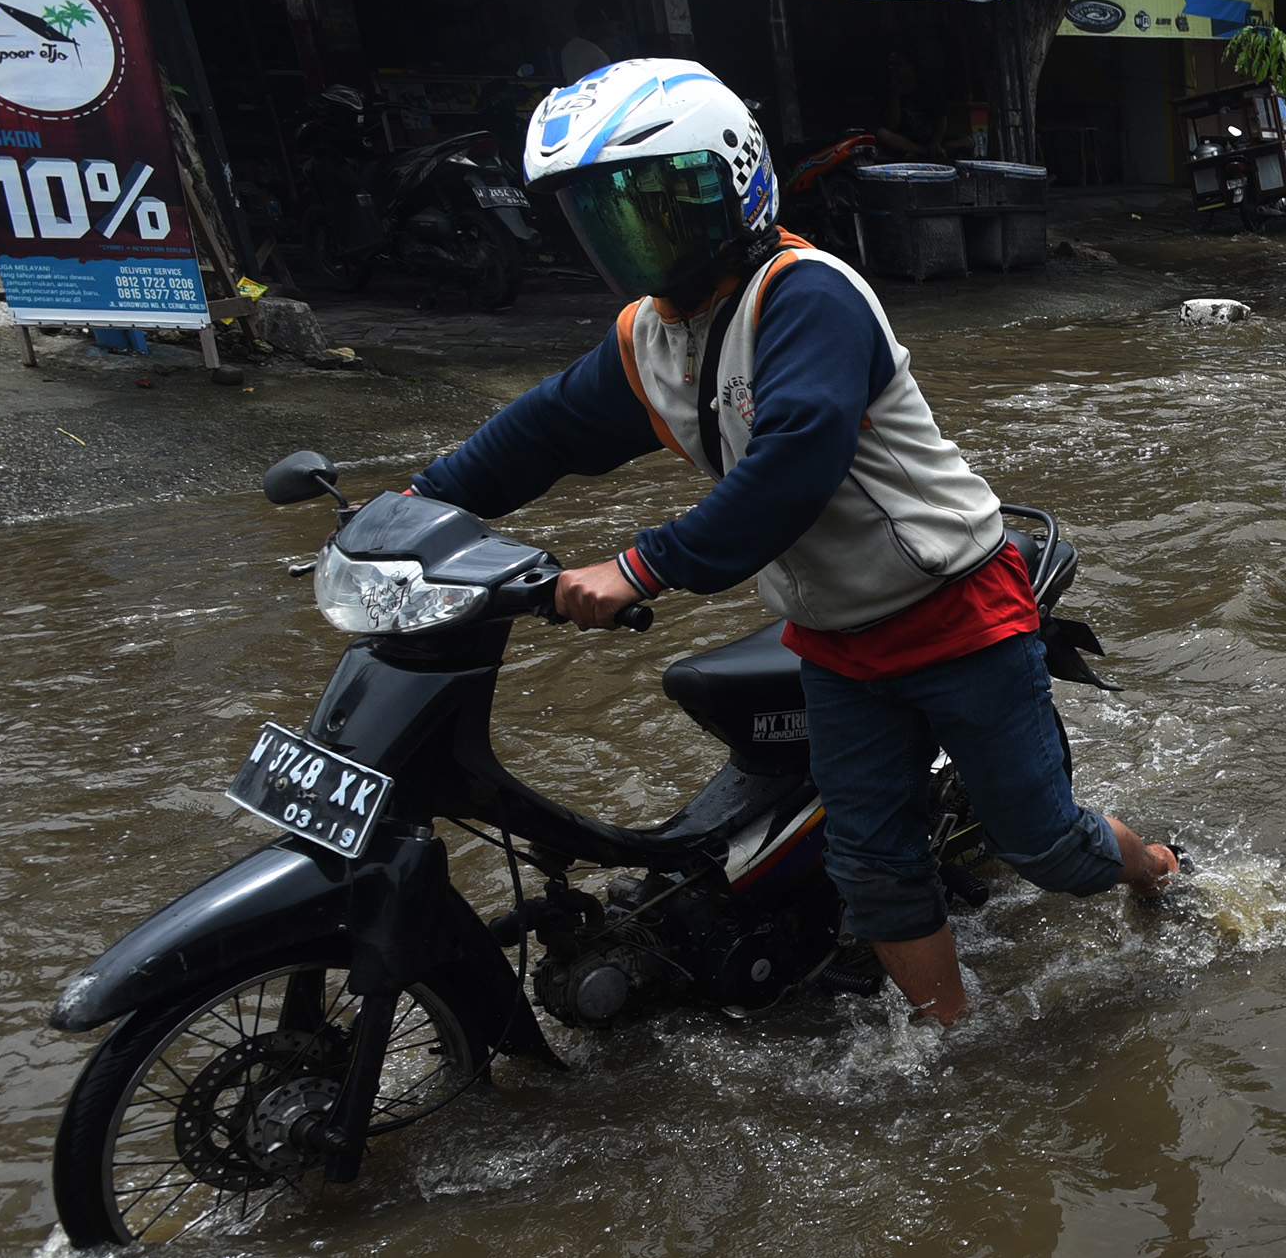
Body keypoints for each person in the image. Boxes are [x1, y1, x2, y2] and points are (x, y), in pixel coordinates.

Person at [408, 59, 1181, 1026]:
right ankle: (956, 1039)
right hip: (837, 641)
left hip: (955, 612)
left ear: (736, 181)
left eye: (662, 203)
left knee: (1044, 845)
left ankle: (1157, 868)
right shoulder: (652, 336)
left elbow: (794, 462)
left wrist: (640, 566)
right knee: (871, 863)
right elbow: (539, 433)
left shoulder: (808, 296)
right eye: (605, 213)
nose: (637, 234)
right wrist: (413, 504)